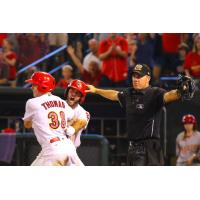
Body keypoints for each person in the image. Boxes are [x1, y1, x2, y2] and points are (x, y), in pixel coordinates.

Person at [86, 63, 195, 166]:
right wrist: (96, 90)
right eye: (134, 76)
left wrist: (179, 92)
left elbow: (168, 95)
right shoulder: (128, 93)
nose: (135, 79)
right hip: (132, 147)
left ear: (148, 78)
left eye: (139, 76)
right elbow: (114, 94)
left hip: (150, 148)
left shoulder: (155, 93)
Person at [23, 71, 85, 166]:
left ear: (42, 86)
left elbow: (27, 125)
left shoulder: (32, 102)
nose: (32, 87)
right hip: (69, 148)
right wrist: (70, 127)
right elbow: (75, 118)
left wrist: (40, 120)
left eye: (34, 84)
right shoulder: (61, 102)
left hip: (52, 149)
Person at [64, 79, 90, 148]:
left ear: (81, 97)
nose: (73, 94)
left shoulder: (83, 113)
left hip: (70, 148)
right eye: (71, 91)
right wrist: (71, 121)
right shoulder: (57, 104)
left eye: (77, 93)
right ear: (67, 91)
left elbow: (70, 131)